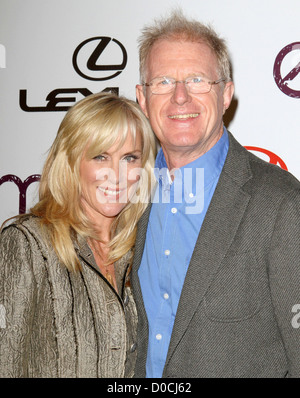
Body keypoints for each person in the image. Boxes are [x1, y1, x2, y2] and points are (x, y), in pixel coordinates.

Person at [132, 10, 300, 378]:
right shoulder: (125, 195)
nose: (179, 97)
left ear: (225, 94)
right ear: (142, 99)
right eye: (162, 81)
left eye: (197, 80)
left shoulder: (282, 204)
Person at [0, 92, 156, 378]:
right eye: (100, 157)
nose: (117, 175)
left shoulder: (142, 253)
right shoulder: (27, 244)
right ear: (71, 162)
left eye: (129, 158)